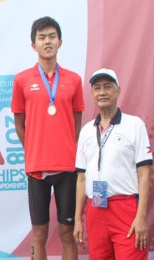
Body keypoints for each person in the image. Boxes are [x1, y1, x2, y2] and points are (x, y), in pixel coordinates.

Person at [11, 16, 84, 259]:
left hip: (67, 168)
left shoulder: (73, 80)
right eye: (41, 37)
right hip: (37, 168)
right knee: (39, 233)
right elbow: (19, 122)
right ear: (34, 45)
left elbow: (76, 120)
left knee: (67, 232)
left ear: (60, 41)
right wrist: (32, 149)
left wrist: (66, 148)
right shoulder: (22, 80)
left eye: (52, 36)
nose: (47, 41)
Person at [74, 68, 152, 259]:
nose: (102, 92)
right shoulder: (86, 131)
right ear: (91, 94)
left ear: (118, 90)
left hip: (125, 209)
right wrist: (78, 219)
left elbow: (144, 175)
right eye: (97, 88)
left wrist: (141, 218)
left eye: (108, 87)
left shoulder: (135, 125)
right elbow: (82, 179)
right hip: (95, 210)